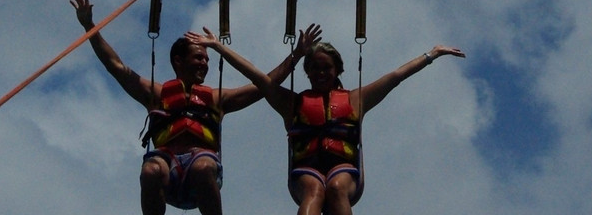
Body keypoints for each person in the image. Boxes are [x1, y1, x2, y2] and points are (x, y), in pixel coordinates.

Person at [71, 0, 313, 215]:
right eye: (199, 57)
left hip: (201, 170)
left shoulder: (217, 98)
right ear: (178, 61)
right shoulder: (156, 94)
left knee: (203, 166)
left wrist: (296, 56)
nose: (204, 64)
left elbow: (264, 85)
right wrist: (89, 26)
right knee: (150, 170)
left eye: (207, 59)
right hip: (168, 169)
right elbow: (116, 67)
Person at [186, 25, 464, 215]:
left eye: (326, 68)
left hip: (344, 171)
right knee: (314, 190)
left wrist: (432, 54)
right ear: (306, 72)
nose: (320, 73)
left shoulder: (355, 99)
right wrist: (219, 48)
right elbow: (258, 77)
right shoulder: (292, 104)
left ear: (337, 69)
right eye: (315, 69)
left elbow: (395, 76)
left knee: (336, 187)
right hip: (305, 173)